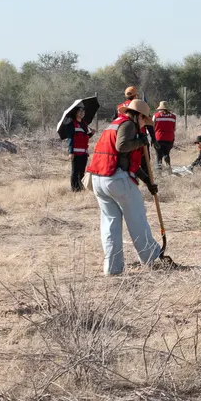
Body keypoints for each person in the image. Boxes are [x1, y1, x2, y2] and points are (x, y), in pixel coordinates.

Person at [86, 99, 162, 275]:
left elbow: (130, 163)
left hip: (99, 179)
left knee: (110, 224)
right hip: (116, 179)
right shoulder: (128, 125)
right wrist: (141, 141)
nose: (144, 124)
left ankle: (112, 269)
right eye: (144, 120)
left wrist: (148, 182)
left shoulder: (114, 124)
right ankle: (151, 258)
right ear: (138, 116)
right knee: (137, 219)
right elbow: (122, 147)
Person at [67, 106, 92, 192]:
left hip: (84, 152)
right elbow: (70, 138)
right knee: (75, 171)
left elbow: (85, 137)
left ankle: (81, 188)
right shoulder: (72, 124)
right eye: (80, 111)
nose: (82, 113)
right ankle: (74, 189)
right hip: (75, 152)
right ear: (76, 113)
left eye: (83, 111)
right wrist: (71, 152)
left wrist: (91, 134)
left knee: (82, 171)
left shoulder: (84, 124)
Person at [152, 102, 177, 171]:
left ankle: (159, 170)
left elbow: (152, 127)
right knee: (167, 153)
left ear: (160, 108)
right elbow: (174, 128)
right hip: (169, 138)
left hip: (158, 138)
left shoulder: (156, 116)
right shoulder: (173, 116)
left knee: (158, 155)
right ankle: (169, 168)